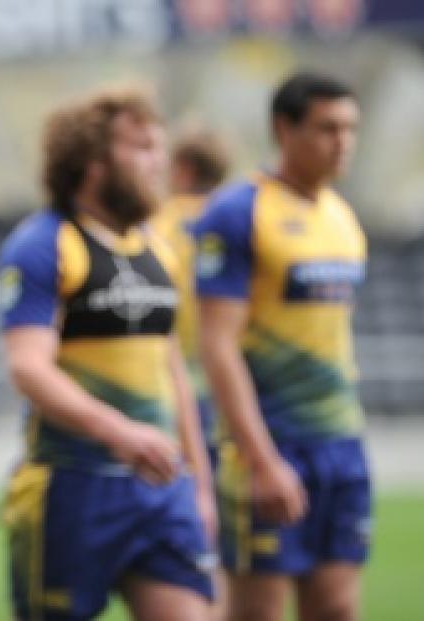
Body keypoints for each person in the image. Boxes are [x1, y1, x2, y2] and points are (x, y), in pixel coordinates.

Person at [0, 86, 216, 621]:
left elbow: (171, 370)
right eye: (141, 147)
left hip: (162, 489)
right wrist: (121, 432)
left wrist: (200, 483)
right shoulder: (44, 243)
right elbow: (28, 366)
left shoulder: (157, 246)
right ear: (93, 162)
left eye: (159, 146)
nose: (158, 160)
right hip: (70, 488)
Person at [194, 72, 368, 621]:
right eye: (327, 128)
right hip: (269, 445)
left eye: (350, 129)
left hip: (340, 442)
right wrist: (262, 459)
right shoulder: (238, 212)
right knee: (258, 613)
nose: (342, 141)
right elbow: (217, 347)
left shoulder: (343, 219)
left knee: (337, 607)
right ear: (283, 128)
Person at [152, 124, 233, 619]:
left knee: (181, 523)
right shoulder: (235, 221)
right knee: (221, 524)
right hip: (236, 395)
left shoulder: (158, 224)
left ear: (181, 168)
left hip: (176, 391)